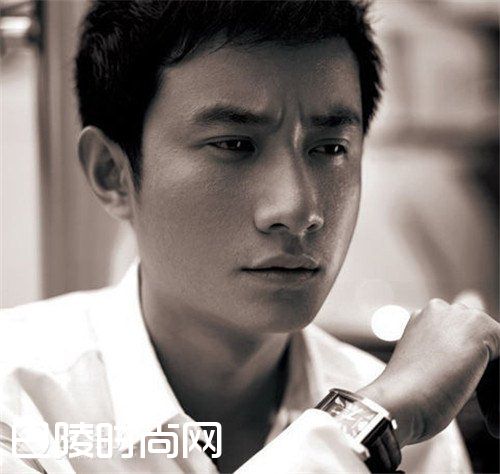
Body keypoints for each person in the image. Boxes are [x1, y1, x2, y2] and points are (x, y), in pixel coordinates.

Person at [1, 1, 498, 473]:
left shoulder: (411, 421)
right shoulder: (20, 400)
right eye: (235, 145)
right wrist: (364, 425)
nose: (298, 210)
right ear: (112, 173)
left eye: (330, 148)